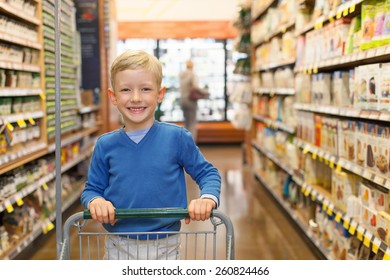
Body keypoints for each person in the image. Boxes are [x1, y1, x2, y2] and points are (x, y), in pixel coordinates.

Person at [80, 50, 221, 260]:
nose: (136, 98)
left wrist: (206, 199)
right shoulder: (105, 145)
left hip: (166, 245)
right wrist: (96, 202)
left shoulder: (177, 138)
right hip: (118, 246)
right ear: (113, 97)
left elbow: (208, 173)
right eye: (126, 90)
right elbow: (92, 189)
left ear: (160, 94)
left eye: (146, 89)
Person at [179, 59, 199, 141]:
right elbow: (195, 87)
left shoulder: (181, 74)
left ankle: (185, 140)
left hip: (182, 100)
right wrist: (205, 92)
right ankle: (192, 142)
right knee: (192, 122)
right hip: (191, 100)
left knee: (186, 122)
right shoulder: (192, 74)